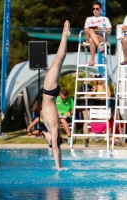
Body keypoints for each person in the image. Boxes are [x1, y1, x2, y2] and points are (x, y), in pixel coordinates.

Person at [42, 20, 71, 170]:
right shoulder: (53, 128)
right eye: (47, 140)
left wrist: (61, 164)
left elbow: (57, 147)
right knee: (57, 61)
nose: (45, 138)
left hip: (52, 92)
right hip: (48, 90)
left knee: (59, 61)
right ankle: (64, 35)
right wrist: (58, 168)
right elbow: (55, 148)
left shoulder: (49, 127)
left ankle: (65, 35)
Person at [84, 1, 112, 66]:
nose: (95, 10)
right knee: (90, 30)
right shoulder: (88, 19)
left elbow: (109, 31)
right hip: (88, 35)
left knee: (92, 40)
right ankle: (100, 47)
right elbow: (85, 29)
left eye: (97, 9)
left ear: (100, 10)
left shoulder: (105, 19)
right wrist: (93, 29)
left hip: (100, 36)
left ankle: (92, 60)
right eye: (93, 9)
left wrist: (100, 29)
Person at [80, 75, 96, 147]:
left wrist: (94, 92)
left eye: (91, 79)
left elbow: (92, 96)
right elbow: (85, 97)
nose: (90, 81)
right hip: (85, 107)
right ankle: (86, 138)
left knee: (88, 122)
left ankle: (88, 137)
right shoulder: (83, 86)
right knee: (86, 121)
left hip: (91, 106)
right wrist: (92, 93)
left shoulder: (89, 86)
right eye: (89, 79)